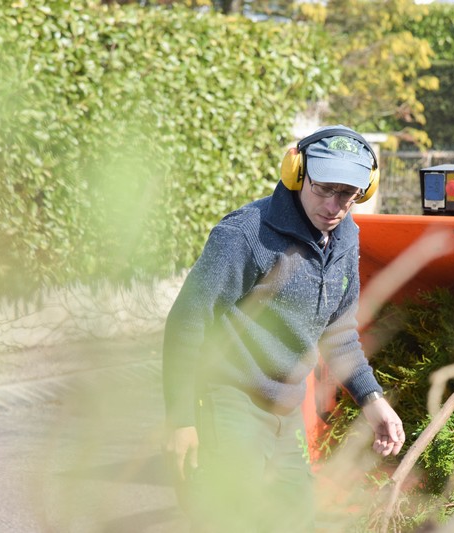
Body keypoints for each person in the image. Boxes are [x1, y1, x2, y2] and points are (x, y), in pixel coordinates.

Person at [162, 125, 405, 532]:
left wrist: (371, 399)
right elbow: (187, 322)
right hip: (229, 400)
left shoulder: (346, 238)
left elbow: (338, 333)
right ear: (297, 173)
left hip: (286, 409)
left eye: (347, 193)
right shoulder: (245, 235)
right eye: (324, 188)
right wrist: (181, 419)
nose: (334, 204)